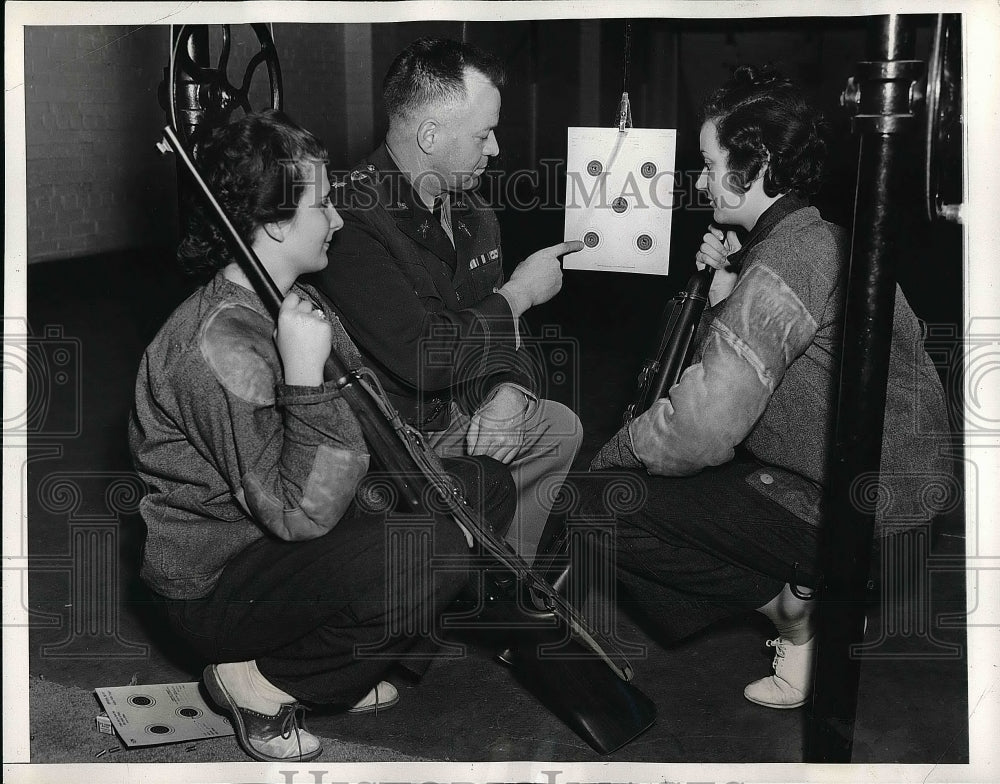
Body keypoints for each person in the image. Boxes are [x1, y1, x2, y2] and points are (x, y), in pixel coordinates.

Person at [129, 111, 515, 762]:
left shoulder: (291, 299)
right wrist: (305, 375)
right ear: (277, 221)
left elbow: (365, 433)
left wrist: (431, 476)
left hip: (282, 542)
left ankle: (352, 667)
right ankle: (258, 682)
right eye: (325, 203)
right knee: (438, 548)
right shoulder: (215, 349)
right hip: (223, 583)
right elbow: (296, 514)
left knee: (482, 488)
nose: (338, 219)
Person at [586, 66, 952, 708]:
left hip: (868, 515)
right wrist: (725, 294)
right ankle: (812, 601)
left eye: (708, 163)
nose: (700, 181)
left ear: (751, 168)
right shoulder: (817, 238)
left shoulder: (786, 262)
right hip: (898, 501)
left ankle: (800, 616)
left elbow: (701, 430)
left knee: (597, 501)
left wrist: (618, 449)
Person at [311, 38, 583, 563]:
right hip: (388, 449)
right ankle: (454, 571)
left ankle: (502, 576)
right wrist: (520, 293)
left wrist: (508, 394)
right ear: (430, 135)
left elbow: (507, 339)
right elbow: (422, 354)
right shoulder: (351, 219)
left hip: (458, 414)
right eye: (483, 134)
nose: (496, 149)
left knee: (557, 426)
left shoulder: (475, 214)